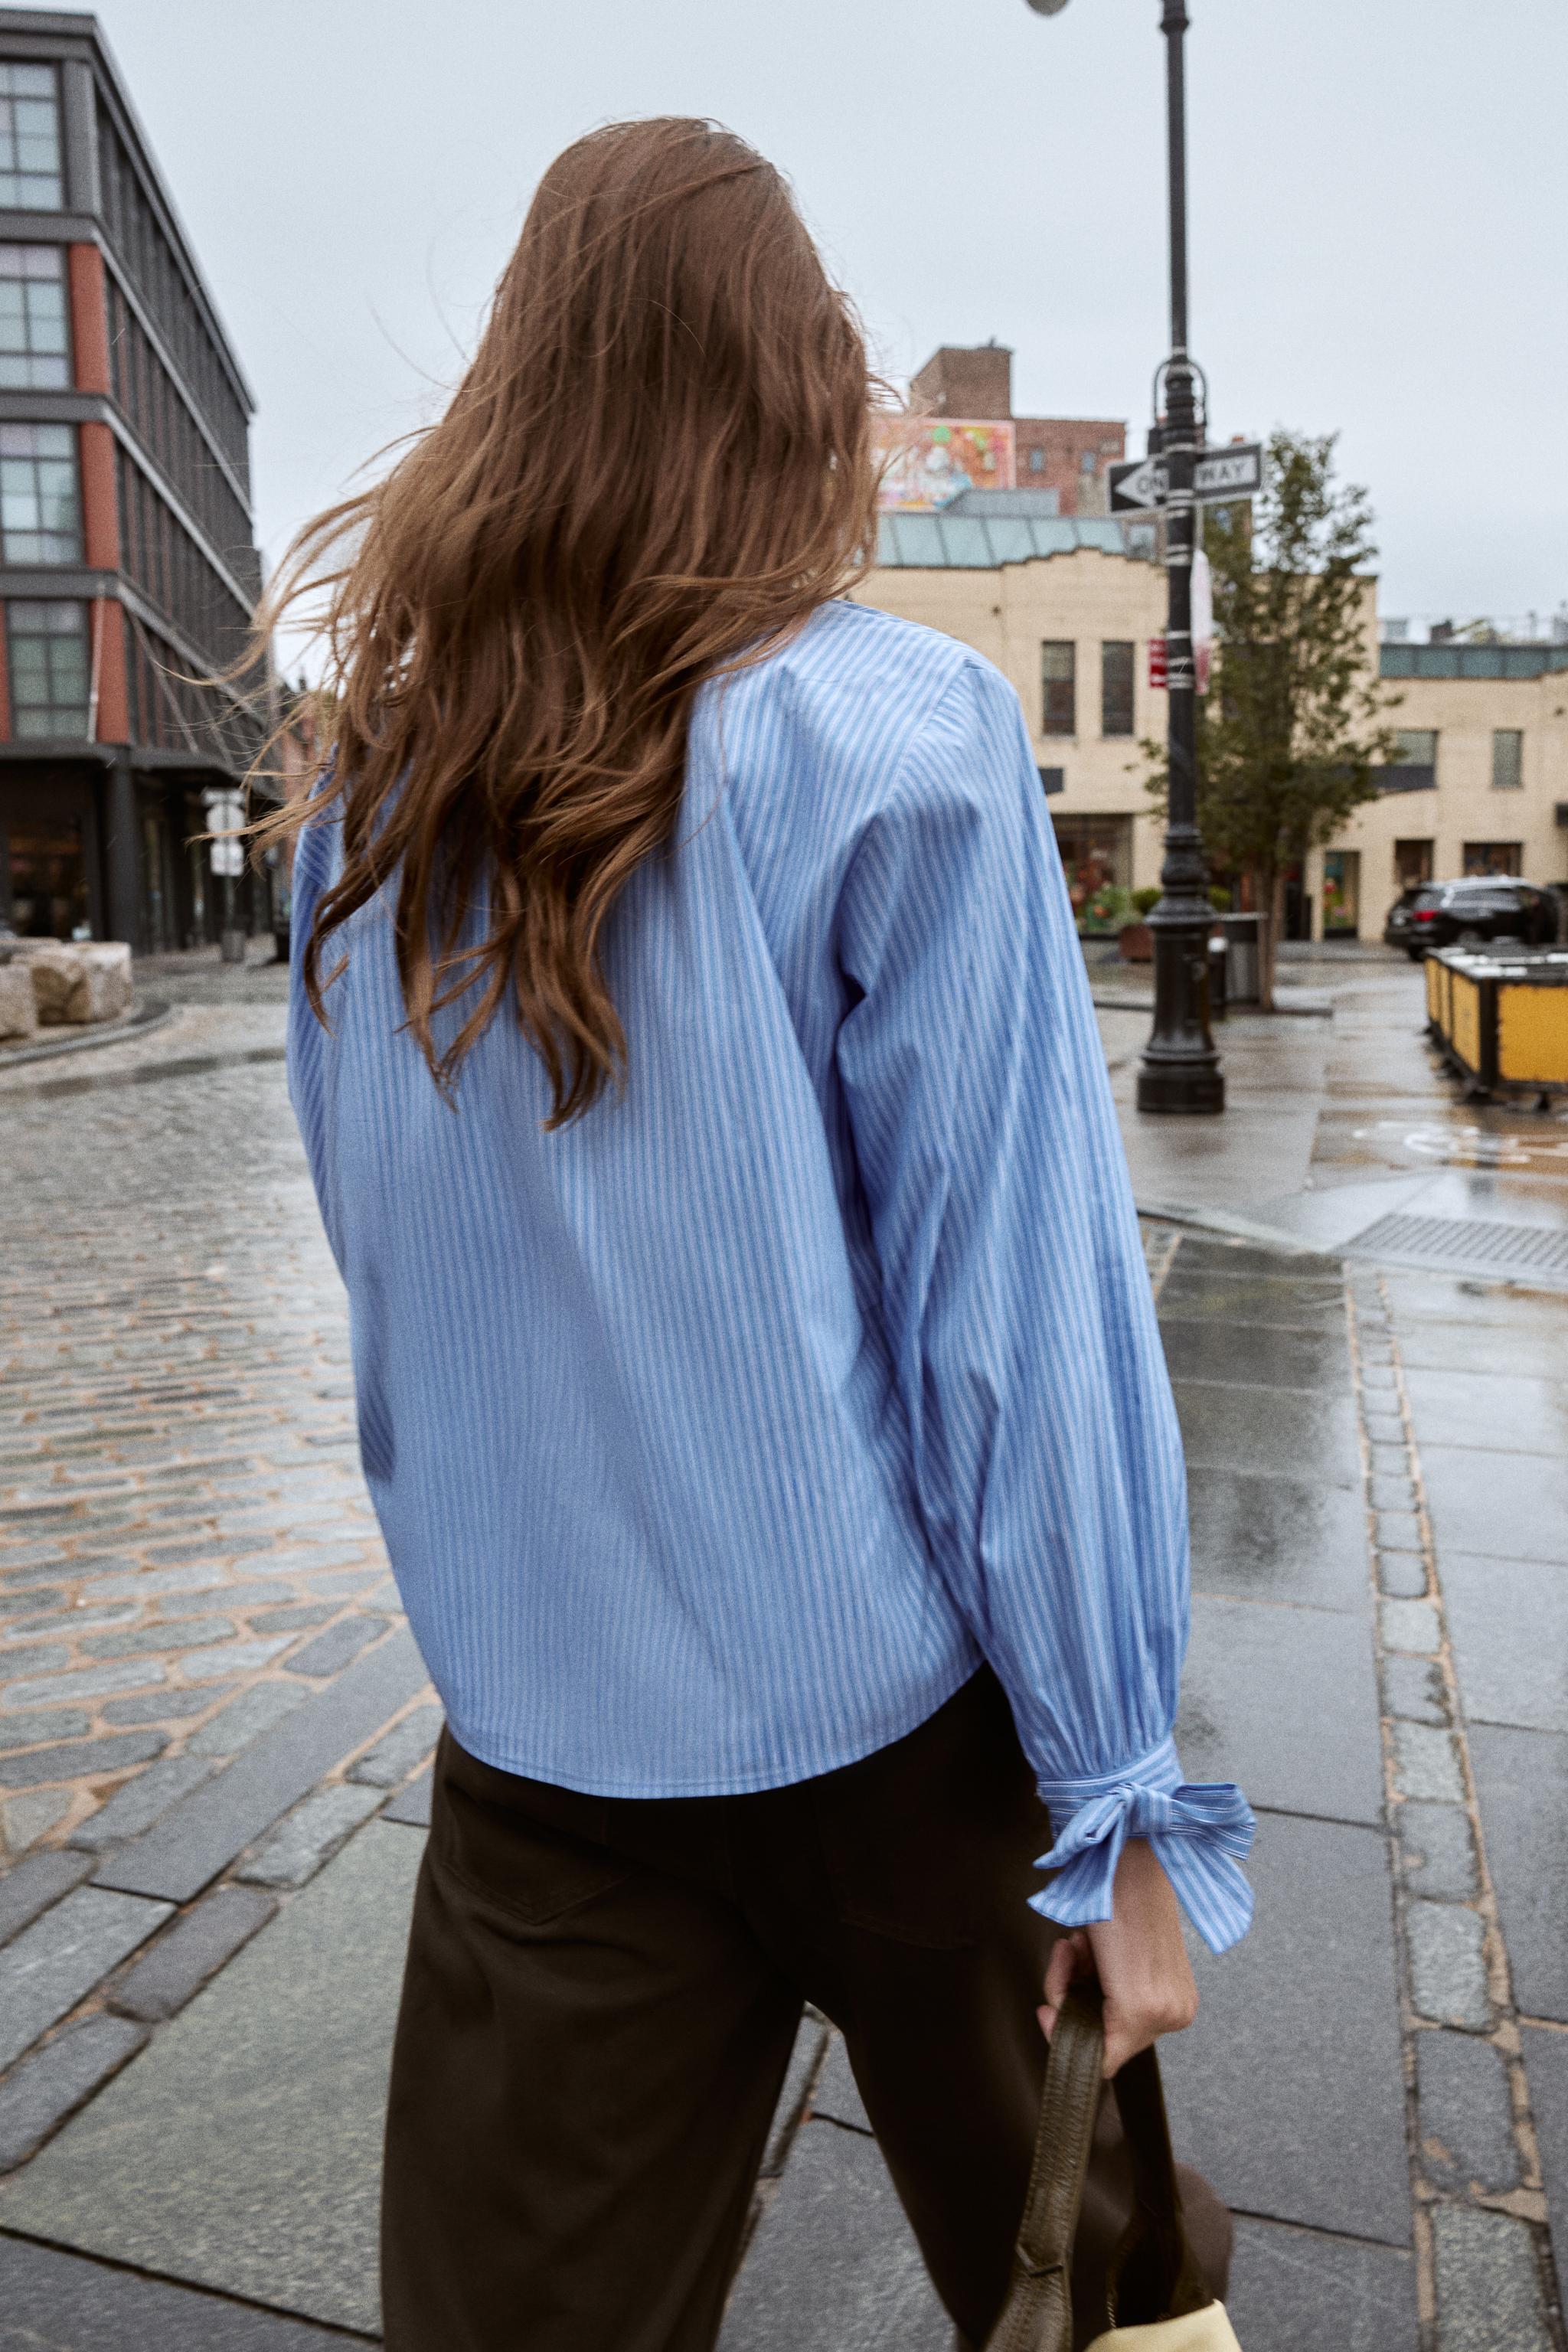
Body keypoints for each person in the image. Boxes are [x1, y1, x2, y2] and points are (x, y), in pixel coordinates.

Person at [270, 115, 1254, 2352]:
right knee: (1108, 2309)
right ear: (798, 395)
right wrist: (1113, 1802)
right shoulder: (899, 738)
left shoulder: (368, 807)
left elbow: (385, 1278)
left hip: (548, 1759)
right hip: (906, 1736)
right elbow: (1015, 1325)